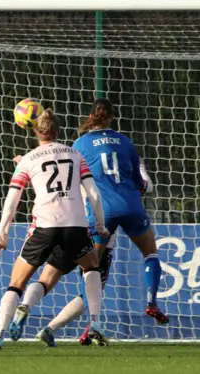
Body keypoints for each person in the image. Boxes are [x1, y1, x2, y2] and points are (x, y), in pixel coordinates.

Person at [0, 108, 109, 352]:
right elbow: (94, 194)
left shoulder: (29, 159)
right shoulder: (75, 154)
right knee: (92, 267)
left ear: (35, 131)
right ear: (59, 130)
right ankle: (95, 324)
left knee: (16, 284)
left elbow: (12, 202)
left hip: (44, 228)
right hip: (75, 226)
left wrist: (2, 235)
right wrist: (100, 225)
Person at [33, 158, 155, 348]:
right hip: (99, 237)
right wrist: (139, 174)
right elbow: (147, 187)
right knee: (92, 291)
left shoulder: (78, 162)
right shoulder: (126, 163)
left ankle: (21, 311)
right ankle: (54, 329)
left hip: (70, 230)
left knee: (46, 280)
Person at [72, 98, 168, 325]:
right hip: (131, 206)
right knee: (151, 254)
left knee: (92, 267)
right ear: (112, 117)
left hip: (102, 211)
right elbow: (140, 183)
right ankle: (151, 302)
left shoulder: (80, 144)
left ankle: (92, 326)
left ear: (91, 116)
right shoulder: (125, 143)